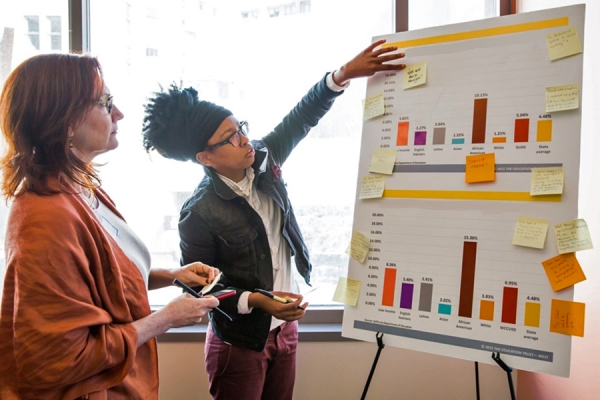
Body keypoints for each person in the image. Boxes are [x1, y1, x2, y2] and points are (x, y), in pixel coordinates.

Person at [141, 40, 405, 400]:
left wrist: (342, 75)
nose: (245, 139)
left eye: (241, 127)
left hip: (285, 332)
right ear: (206, 157)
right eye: (230, 138)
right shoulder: (198, 213)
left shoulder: (263, 158)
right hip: (239, 343)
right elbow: (203, 288)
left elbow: (302, 117)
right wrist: (258, 300)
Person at [0, 53, 220, 400]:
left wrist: (171, 275)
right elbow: (57, 359)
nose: (118, 114)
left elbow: (97, 279)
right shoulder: (45, 221)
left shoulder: (81, 188)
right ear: (66, 121)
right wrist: (165, 318)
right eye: (105, 103)